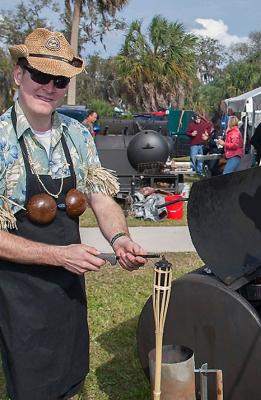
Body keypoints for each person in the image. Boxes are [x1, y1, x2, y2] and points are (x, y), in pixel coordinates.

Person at [0, 28, 147, 399]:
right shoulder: (1, 140)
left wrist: (120, 238)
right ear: (19, 74)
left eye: (60, 80)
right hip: (18, 290)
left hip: (68, 287)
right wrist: (58, 255)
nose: (49, 87)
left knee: (70, 375)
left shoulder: (77, 135)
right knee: (32, 384)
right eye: (40, 75)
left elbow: (100, 198)